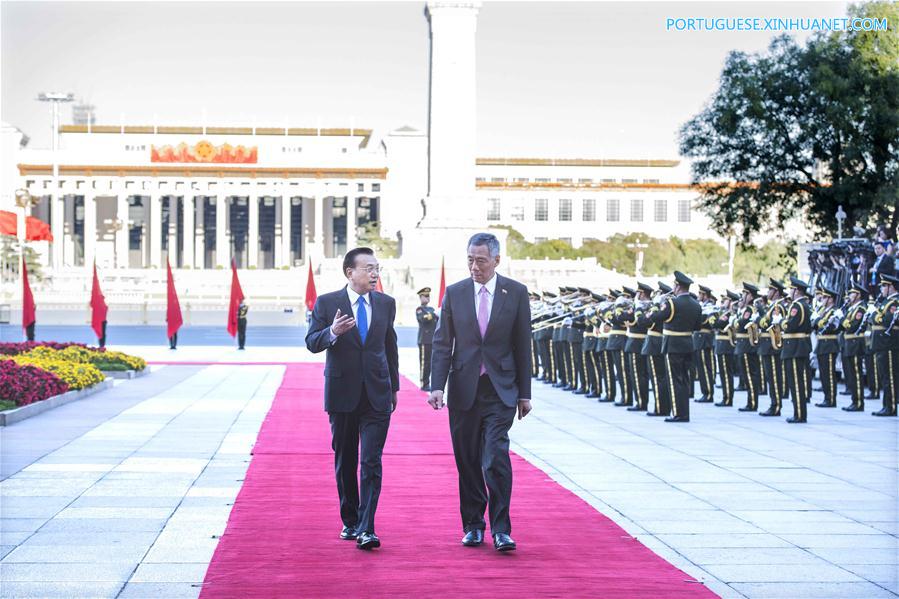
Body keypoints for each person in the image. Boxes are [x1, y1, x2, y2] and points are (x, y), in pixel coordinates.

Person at [428, 232, 532, 552]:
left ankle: (501, 529)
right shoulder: (455, 293)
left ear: (496, 260)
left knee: (494, 458)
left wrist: (525, 393)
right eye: (470, 260)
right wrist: (437, 386)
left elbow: (522, 345)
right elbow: (442, 343)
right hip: (464, 389)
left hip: (501, 390)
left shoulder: (516, 293)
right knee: (468, 460)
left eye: (482, 261)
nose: (475, 267)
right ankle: (473, 525)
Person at [305, 247, 400, 550]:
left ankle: (367, 527)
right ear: (350, 272)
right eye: (368, 268)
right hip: (342, 393)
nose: (374, 274)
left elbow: (390, 347)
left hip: (377, 394)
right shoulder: (327, 303)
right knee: (346, 460)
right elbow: (311, 342)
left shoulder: (386, 303)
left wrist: (394, 387)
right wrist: (332, 332)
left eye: (377, 268)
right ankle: (350, 520)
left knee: (371, 461)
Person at [648, 271, 702, 422]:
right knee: (684, 380)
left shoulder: (672, 303)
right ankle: (684, 413)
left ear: (677, 286)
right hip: (688, 344)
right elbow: (697, 327)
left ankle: (678, 413)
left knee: (674, 380)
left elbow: (655, 317)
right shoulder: (696, 304)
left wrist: (656, 304)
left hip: (673, 345)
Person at [781, 277, 813, 423]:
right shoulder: (803, 305)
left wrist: (781, 322)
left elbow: (790, 326)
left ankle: (799, 414)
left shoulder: (797, 306)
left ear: (796, 291)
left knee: (796, 383)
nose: (790, 292)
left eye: (791, 289)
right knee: (796, 382)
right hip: (798, 346)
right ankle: (798, 413)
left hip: (795, 347)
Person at [871, 274, 899, 417]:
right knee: (884, 376)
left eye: (884, 286)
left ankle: (891, 406)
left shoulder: (894, 302)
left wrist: (877, 317)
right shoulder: (885, 302)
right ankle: (886, 405)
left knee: (890, 377)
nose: (881, 288)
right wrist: (876, 316)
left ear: (891, 287)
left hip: (889, 343)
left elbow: (888, 319)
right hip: (881, 343)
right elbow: (874, 318)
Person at [840, 284, 868, 411]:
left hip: (856, 344)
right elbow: (844, 326)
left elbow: (853, 326)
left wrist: (842, 319)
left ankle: (859, 403)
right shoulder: (852, 309)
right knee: (852, 374)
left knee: (856, 374)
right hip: (849, 344)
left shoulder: (860, 309)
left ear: (858, 295)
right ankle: (854, 400)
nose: (850, 296)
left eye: (852, 293)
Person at [812, 287, 841, 407]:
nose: (822, 299)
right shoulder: (823, 311)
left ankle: (831, 399)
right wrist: (817, 320)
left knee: (829, 374)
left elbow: (832, 327)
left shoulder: (835, 312)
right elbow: (814, 326)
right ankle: (826, 397)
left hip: (829, 345)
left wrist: (818, 320)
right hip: (821, 344)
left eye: (824, 297)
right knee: (823, 374)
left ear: (831, 299)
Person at [415, 287, 438, 390]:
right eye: (425, 296)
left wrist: (433, 314)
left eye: (428, 296)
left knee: (432, 363)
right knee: (425, 363)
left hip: (432, 339)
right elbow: (423, 319)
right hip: (424, 340)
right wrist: (433, 314)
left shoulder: (431, 309)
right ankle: (424, 383)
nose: (427, 298)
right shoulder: (419, 309)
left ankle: (428, 382)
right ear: (420, 297)